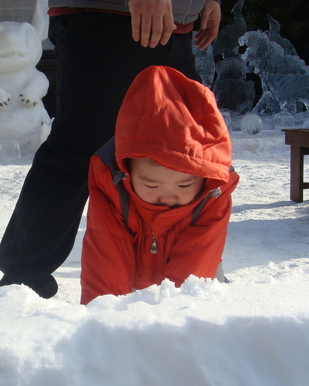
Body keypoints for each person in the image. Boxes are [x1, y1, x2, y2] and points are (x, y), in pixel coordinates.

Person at [0, 0, 222, 298]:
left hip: (176, 24)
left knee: (188, 157)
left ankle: (184, 281)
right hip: (112, 17)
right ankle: (21, 281)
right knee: (79, 151)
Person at [80, 65, 239, 304]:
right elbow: (105, 256)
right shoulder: (111, 185)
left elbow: (197, 258)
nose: (167, 197)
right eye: (152, 186)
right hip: (132, 276)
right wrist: (103, 320)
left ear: (204, 179)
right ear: (127, 171)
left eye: (184, 186)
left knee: (204, 308)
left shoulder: (213, 192)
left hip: (197, 277)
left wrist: (173, 318)